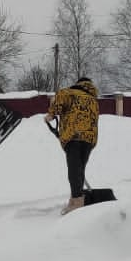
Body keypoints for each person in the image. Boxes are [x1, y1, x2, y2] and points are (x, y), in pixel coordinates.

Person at [45, 76, 101, 215]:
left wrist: (50, 115)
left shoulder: (69, 92)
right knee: (79, 170)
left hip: (74, 136)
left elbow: (59, 100)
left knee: (74, 171)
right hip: (89, 139)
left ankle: (77, 202)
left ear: (78, 84)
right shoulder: (94, 100)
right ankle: (75, 198)